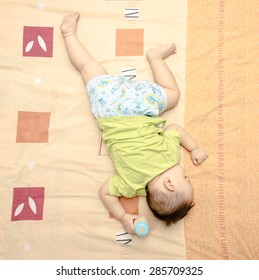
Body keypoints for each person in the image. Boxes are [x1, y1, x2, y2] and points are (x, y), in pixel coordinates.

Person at [60, 12, 208, 234]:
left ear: (170, 183)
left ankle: (155, 58)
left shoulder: (170, 158)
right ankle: (68, 33)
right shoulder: (131, 186)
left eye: (185, 179)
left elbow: (174, 129)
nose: (185, 173)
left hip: (139, 105)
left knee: (173, 95)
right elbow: (104, 192)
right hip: (108, 109)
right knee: (88, 68)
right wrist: (123, 217)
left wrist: (194, 147)